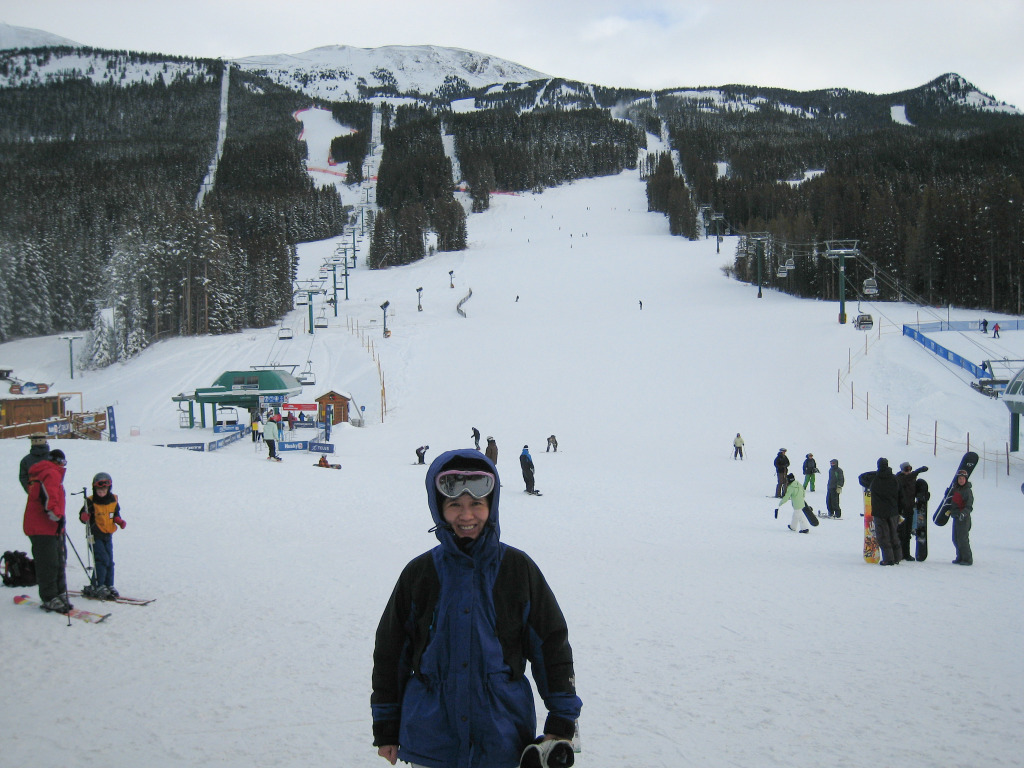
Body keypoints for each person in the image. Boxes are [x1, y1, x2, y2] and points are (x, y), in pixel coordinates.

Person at [371, 449, 581, 768]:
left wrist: (562, 718)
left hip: (502, 739)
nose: (466, 516)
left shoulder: (517, 570)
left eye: (476, 505)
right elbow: (391, 652)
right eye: (455, 505)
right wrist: (386, 724)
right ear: (439, 509)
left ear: (491, 507)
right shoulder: (420, 574)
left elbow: (551, 645)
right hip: (433, 742)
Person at [23, 448, 72, 613]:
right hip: (43, 527)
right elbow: (50, 499)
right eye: (63, 462)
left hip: (51, 527)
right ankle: (50, 597)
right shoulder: (50, 473)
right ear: (58, 461)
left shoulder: (46, 472)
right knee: (49, 562)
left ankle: (58, 593)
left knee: (57, 560)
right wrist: (57, 516)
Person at [78, 472, 125, 599]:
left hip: (108, 534)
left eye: (104, 490)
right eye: (99, 490)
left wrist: (119, 521)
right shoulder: (91, 501)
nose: (101, 493)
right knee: (102, 559)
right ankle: (98, 585)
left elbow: (115, 514)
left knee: (109, 561)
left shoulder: (113, 500)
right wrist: (84, 517)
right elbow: (83, 516)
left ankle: (109, 585)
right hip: (94, 535)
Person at [869, 458, 902, 565]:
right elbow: (900, 493)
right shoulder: (894, 478)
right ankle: (897, 557)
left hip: (879, 511)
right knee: (894, 534)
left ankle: (888, 559)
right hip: (893, 510)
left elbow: (862, 478)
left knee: (883, 536)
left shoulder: (876, 479)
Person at [896, 462, 928, 561]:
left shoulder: (911, 478)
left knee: (908, 533)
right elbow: (906, 479)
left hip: (910, 509)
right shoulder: (899, 478)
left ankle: (906, 554)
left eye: (910, 469)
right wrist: (918, 471)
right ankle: (900, 553)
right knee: (901, 533)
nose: (908, 472)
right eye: (906, 470)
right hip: (901, 510)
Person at [948, 469, 974, 565]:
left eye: (963, 478)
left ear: (966, 480)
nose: (961, 480)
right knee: (955, 538)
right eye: (959, 478)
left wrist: (963, 513)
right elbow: (952, 502)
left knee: (963, 539)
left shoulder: (967, 491)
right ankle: (960, 556)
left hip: (964, 518)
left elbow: (969, 506)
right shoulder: (956, 489)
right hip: (956, 517)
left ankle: (967, 559)